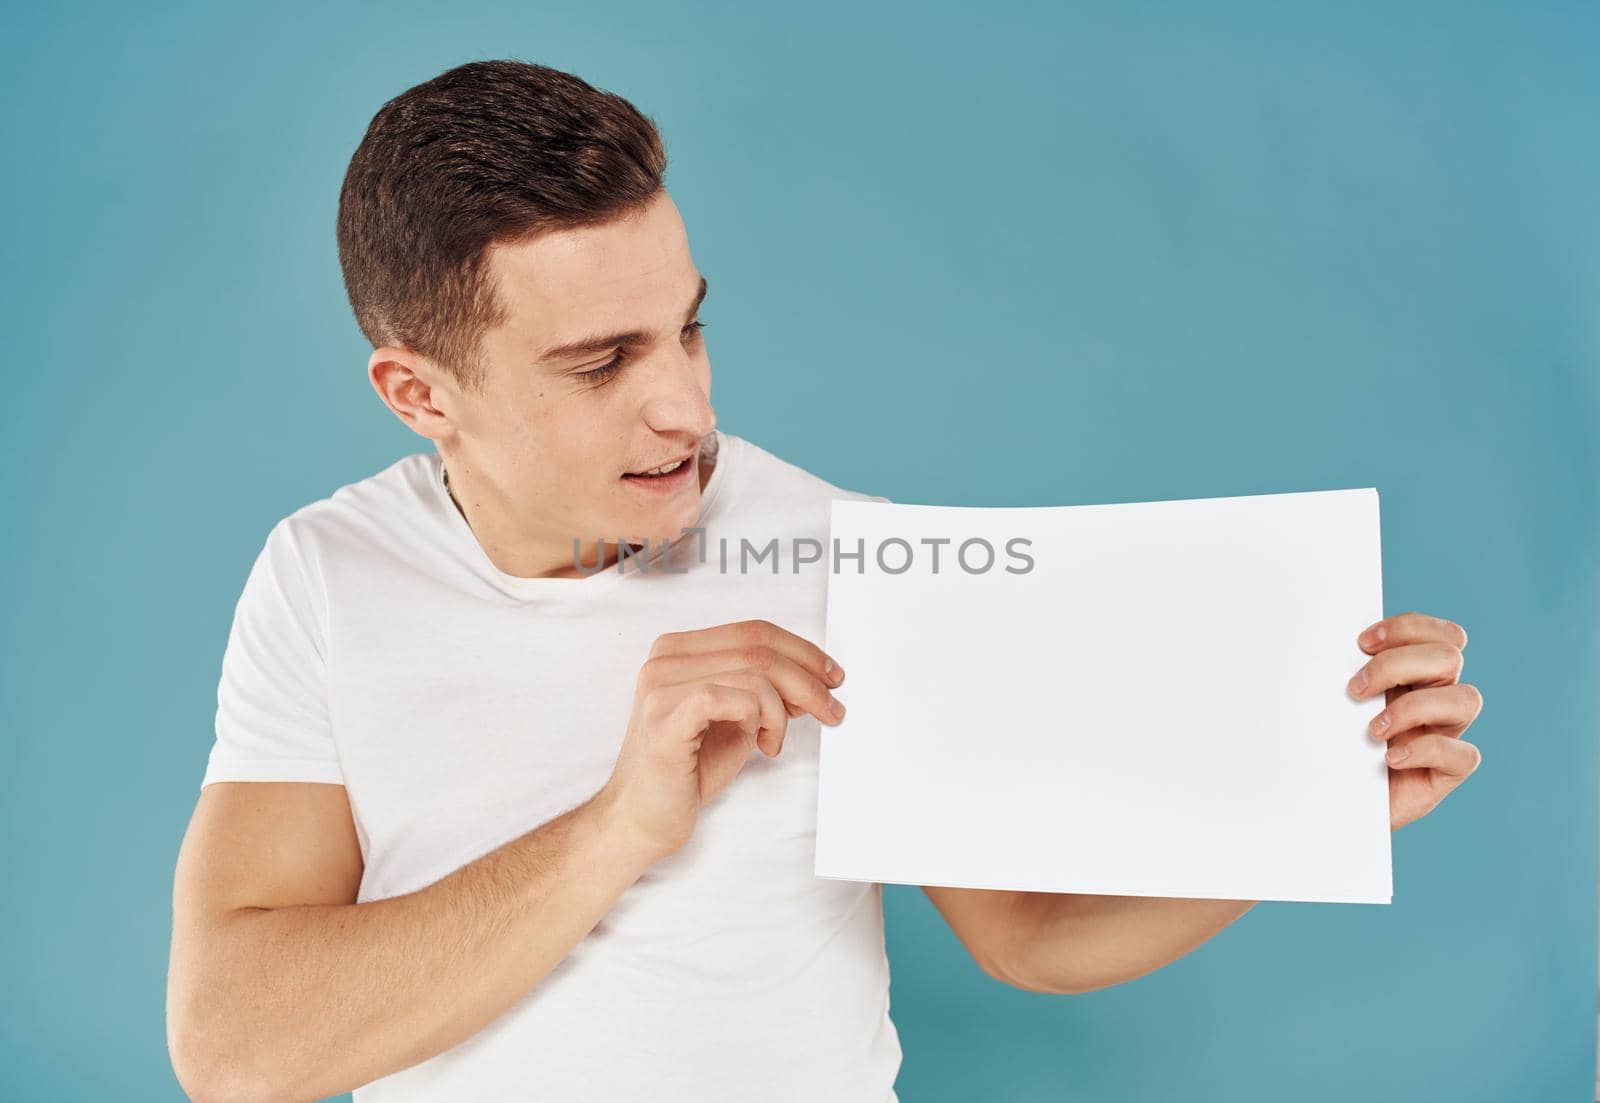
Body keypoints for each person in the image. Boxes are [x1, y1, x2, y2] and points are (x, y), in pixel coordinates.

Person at [165, 59, 1485, 1103]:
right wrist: (622, 826)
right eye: (599, 362)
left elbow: (1028, 935)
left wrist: (1304, 810)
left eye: (687, 326)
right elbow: (236, 1052)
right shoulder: (327, 576)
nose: (684, 406)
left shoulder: (856, 550)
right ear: (417, 393)